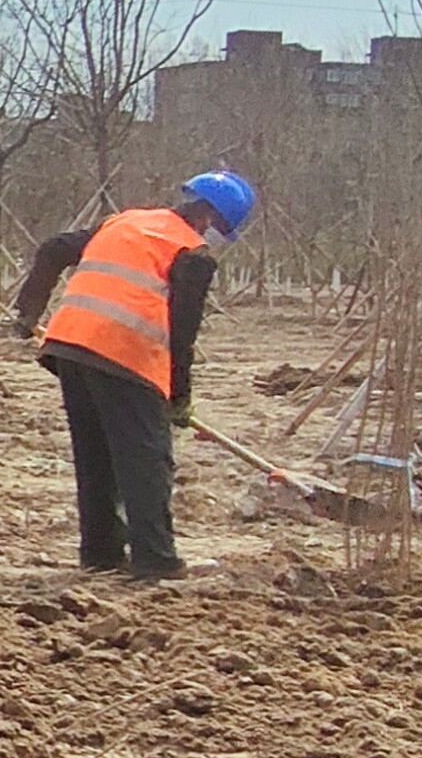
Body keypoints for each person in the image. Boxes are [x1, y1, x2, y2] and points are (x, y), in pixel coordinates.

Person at [18, 172, 254, 582]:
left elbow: (54, 249)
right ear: (211, 218)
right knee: (146, 459)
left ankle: (102, 552)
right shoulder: (192, 253)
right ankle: (155, 559)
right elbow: (182, 335)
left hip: (70, 345)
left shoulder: (125, 221)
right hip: (124, 355)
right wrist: (178, 396)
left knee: (96, 455)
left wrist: (27, 312)